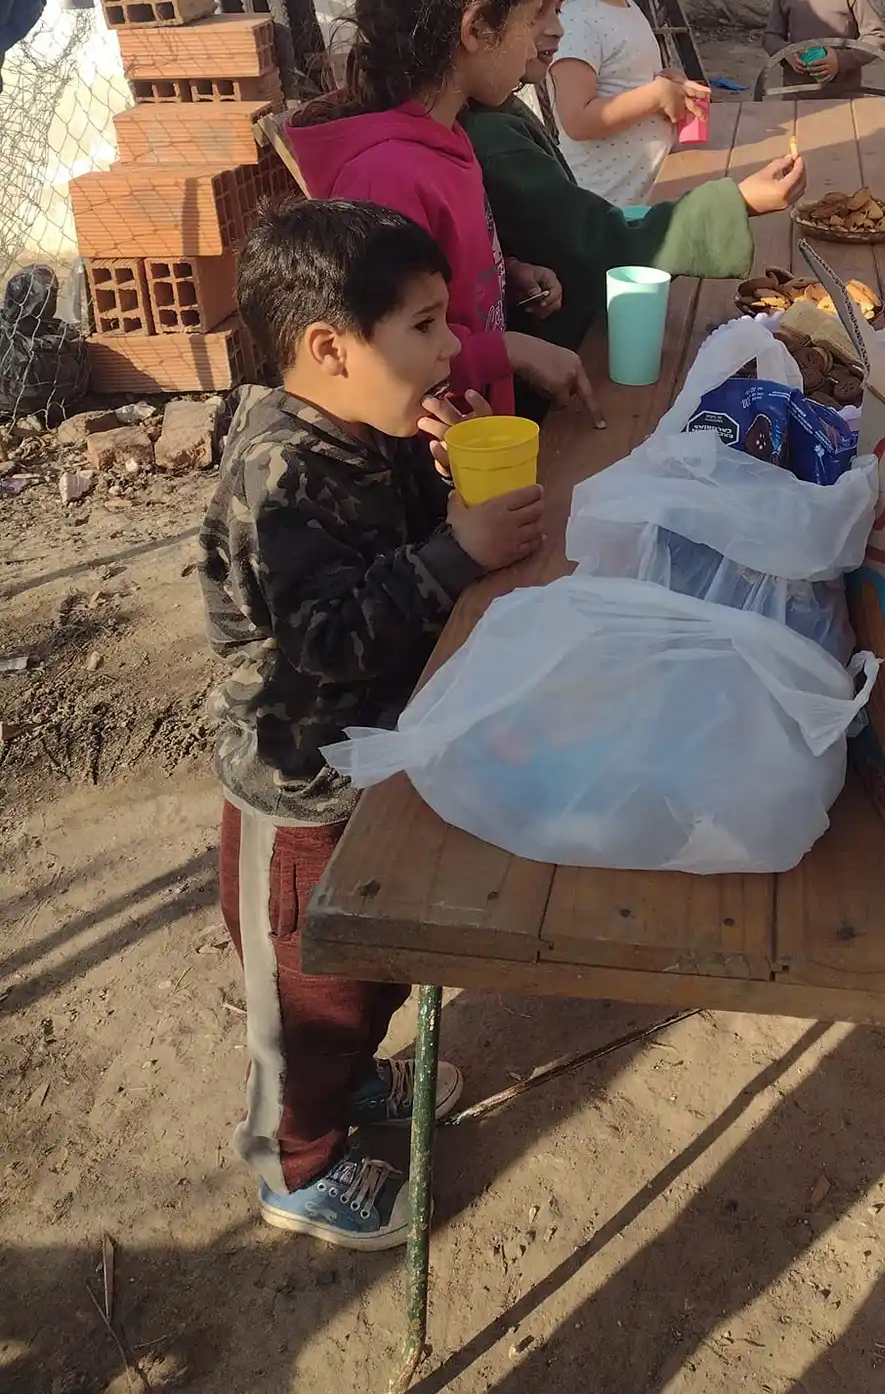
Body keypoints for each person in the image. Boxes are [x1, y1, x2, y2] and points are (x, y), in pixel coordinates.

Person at [204, 198, 547, 1248]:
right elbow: (331, 637)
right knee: (311, 999)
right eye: (426, 326)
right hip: (300, 792)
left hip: (372, 761)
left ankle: (351, 1079)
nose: (451, 347)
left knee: (372, 965)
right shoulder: (282, 475)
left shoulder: (367, 428)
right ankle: (295, 1161)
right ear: (330, 348)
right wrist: (457, 551)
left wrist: (443, 478)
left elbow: (391, 540)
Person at [285, 0, 600, 427]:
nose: (536, 44)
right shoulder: (387, 175)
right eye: (530, 18)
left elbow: (438, 282)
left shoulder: (446, 136)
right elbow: (387, 356)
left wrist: (504, 276)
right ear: (476, 29)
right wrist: (511, 350)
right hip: (434, 455)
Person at [465, 0, 806, 355]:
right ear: (476, 28)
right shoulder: (493, 137)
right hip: (566, 357)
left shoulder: (498, 110)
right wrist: (739, 202)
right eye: (534, 13)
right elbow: (597, 245)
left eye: (555, 10)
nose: (557, 29)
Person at [542, 0, 709, 204]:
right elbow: (576, 119)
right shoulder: (577, 20)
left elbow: (622, 82)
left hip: (642, 196)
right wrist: (654, 96)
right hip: (607, 205)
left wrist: (666, 82)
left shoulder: (625, 6)